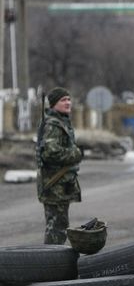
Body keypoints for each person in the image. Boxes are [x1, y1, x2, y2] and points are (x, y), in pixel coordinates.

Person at [36, 87, 82, 244]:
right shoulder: (53, 125)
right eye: (63, 100)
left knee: (59, 226)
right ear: (54, 104)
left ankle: (53, 261)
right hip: (54, 184)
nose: (68, 103)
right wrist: (75, 154)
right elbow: (50, 153)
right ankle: (51, 263)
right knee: (56, 229)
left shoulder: (62, 122)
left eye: (69, 99)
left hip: (60, 185)